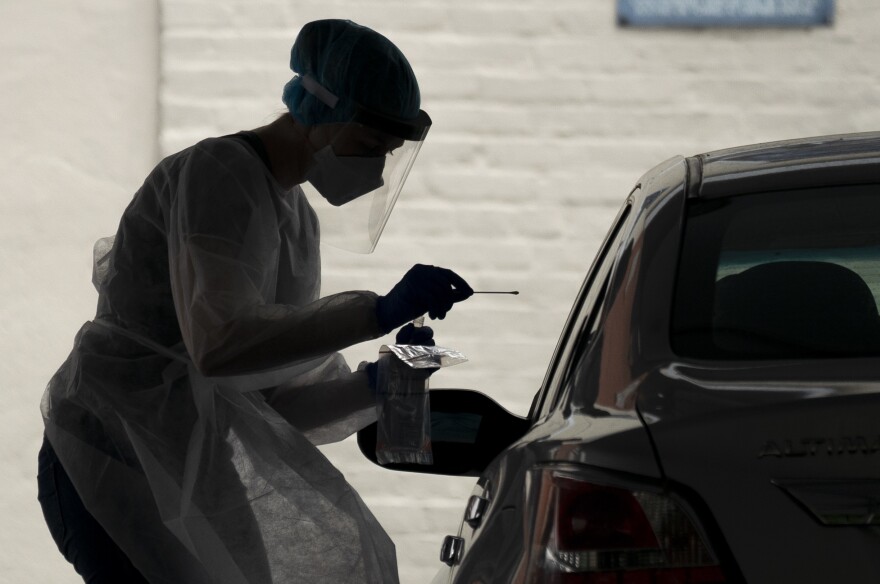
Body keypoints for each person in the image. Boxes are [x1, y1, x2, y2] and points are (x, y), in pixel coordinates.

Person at [37, 19, 472, 584]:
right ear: (317, 112)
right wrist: (374, 312)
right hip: (109, 450)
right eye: (368, 147)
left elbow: (268, 400)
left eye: (386, 154)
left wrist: (374, 385)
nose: (373, 171)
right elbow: (220, 346)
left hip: (179, 456)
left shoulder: (296, 219)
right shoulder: (220, 174)